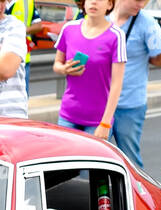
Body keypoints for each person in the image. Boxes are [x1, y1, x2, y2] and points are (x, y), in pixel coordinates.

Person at [109, 0, 161, 166]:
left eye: (144, 1)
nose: (141, 5)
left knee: (130, 161)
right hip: (101, 102)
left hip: (129, 104)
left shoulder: (146, 23)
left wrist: (142, 58)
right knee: (94, 157)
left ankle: (136, 191)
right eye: (137, 0)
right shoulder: (102, 16)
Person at [53, 0, 127, 136]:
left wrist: (105, 123)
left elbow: (117, 84)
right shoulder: (69, 29)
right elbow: (57, 63)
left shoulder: (116, 35)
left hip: (98, 120)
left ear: (109, 5)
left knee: (91, 157)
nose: (94, 2)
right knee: (67, 157)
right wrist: (64, 69)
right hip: (68, 115)